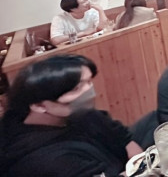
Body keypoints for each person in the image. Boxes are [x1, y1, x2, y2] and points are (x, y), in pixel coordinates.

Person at [0, 54, 142, 177]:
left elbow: (123, 138)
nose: (89, 92)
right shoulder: (47, 160)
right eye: (76, 88)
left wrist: (142, 164)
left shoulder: (79, 112)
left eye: (89, 82)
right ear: (39, 105)